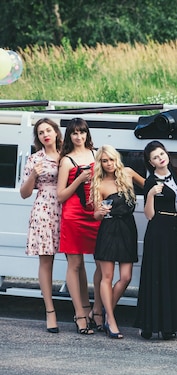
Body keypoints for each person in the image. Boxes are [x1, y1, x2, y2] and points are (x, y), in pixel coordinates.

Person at [135, 141, 177, 340]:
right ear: (151, 162)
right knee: (156, 275)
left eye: (161, 154)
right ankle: (149, 325)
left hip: (174, 230)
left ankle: (168, 325)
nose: (160, 158)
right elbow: (148, 214)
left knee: (170, 275)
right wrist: (150, 194)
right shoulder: (151, 181)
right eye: (156, 157)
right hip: (158, 229)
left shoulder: (174, 174)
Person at [91, 145, 145, 339]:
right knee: (107, 277)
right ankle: (111, 321)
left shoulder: (128, 173)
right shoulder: (99, 183)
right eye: (104, 161)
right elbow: (96, 215)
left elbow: (149, 186)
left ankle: (103, 313)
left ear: (117, 159)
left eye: (111, 160)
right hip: (109, 230)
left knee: (126, 277)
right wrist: (101, 212)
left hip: (128, 229)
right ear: (100, 163)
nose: (109, 164)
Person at [57, 118, 102, 335]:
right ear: (69, 136)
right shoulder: (66, 160)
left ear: (87, 134)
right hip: (73, 214)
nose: (78, 137)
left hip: (95, 213)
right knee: (75, 264)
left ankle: (97, 310)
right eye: (74, 133)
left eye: (82, 132)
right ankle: (80, 314)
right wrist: (79, 179)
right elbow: (60, 195)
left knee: (102, 263)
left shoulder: (97, 154)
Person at [20, 118, 63, 333]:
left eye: (48, 130)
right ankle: (50, 311)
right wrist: (34, 174)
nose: (45, 134)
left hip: (68, 209)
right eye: (40, 132)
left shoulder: (67, 155)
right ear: (37, 137)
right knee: (46, 261)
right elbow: (24, 193)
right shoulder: (35, 158)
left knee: (76, 260)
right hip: (44, 211)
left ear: (56, 132)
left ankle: (83, 312)